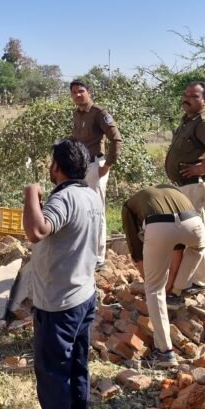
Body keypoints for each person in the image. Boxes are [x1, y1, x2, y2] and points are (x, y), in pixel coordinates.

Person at [23, 137, 101, 409]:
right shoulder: (90, 195)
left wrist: (31, 194)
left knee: (54, 383)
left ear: (56, 166)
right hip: (83, 297)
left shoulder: (64, 198)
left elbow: (36, 231)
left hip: (58, 306)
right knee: (77, 371)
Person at [121, 184, 205, 368]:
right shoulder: (174, 191)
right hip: (194, 225)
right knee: (197, 249)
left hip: (159, 226)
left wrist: (153, 282)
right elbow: (178, 245)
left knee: (154, 290)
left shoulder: (129, 205)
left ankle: (164, 352)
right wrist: (171, 284)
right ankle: (176, 291)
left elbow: (137, 253)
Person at [163, 81, 205, 296]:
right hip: (186, 187)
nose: (187, 99)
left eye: (194, 96)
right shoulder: (189, 120)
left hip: (197, 186)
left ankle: (199, 281)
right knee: (188, 233)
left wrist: (202, 167)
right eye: (186, 94)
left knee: (196, 234)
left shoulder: (203, 122)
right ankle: (192, 278)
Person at [70, 79, 123, 269]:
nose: (78, 95)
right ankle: (84, 252)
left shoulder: (99, 113)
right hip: (81, 166)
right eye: (74, 92)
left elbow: (116, 139)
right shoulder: (77, 114)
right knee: (82, 209)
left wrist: (107, 165)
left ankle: (98, 257)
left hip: (96, 165)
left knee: (96, 210)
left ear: (89, 91)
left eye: (81, 91)